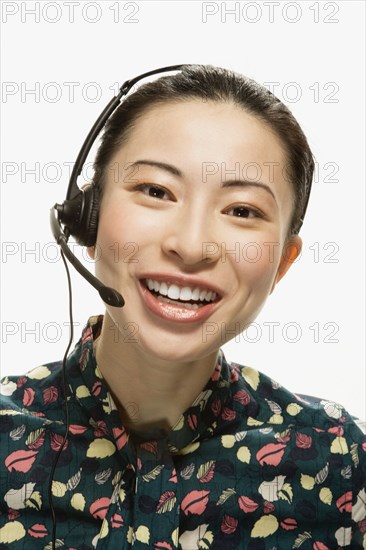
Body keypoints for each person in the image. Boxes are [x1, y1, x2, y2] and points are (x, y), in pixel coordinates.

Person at [0, 64, 365, 549]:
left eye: (242, 211)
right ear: (85, 219)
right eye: (155, 191)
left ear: (282, 263)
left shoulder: (341, 461)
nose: (192, 246)